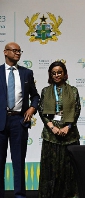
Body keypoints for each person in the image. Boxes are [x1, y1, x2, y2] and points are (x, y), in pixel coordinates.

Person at [0, 42, 40, 198]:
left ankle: (20, 195)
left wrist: (32, 107)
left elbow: (35, 96)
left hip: (19, 121)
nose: (18, 53)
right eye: (14, 51)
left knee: (18, 162)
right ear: (5, 52)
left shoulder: (26, 73)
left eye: (19, 51)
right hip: (1, 122)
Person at [38, 61, 81, 197]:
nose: (57, 75)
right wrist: (52, 127)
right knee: (50, 170)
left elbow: (77, 110)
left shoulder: (73, 90)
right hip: (51, 136)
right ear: (50, 75)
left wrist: (68, 127)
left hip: (70, 135)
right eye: (54, 73)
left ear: (64, 73)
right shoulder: (45, 91)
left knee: (69, 170)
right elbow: (41, 111)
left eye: (59, 72)